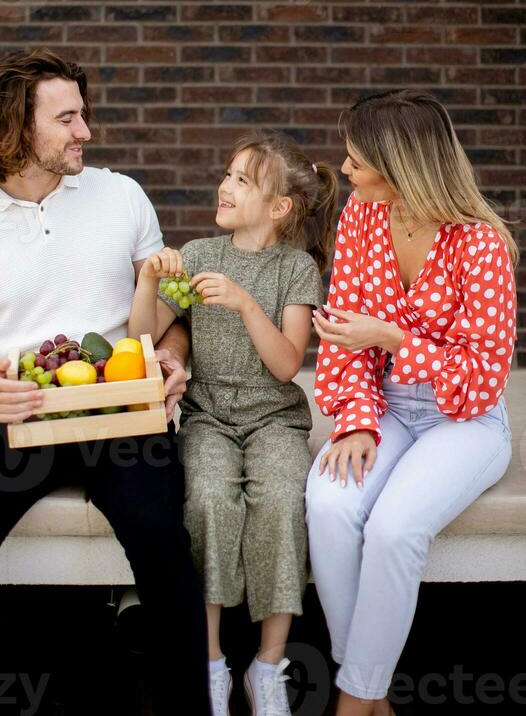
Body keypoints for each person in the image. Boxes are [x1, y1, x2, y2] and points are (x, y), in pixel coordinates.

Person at [0, 48, 210, 716]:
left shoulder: (121, 196)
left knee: (164, 544)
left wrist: (172, 354)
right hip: (23, 413)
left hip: (123, 412)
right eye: (67, 117)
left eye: (84, 114)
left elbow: (168, 310)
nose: (86, 131)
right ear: (19, 127)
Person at [305, 90, 517, 716]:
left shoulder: (480, 244)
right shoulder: (362, 218)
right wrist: (356, 419)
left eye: (355, 161)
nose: (344, 170)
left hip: (466, 418)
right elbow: (343, 339)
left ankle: (351, 701)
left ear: (400, 167)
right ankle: (374, 693)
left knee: (395, 529)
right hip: (387, 404)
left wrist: (395, 338)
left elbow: (483, 378)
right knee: (329, 502)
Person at [128, 131, 338, 716]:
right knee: (209, 502)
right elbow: (141, 336)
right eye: (227, 174)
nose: (225, 185)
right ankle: (212, 659)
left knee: (277, 497)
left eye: (243, 180)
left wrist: (245, 302)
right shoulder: (197, 255)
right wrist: (148, 281)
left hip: (274, 418)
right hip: (209, 416)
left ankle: (267, 666)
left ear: (279, 207)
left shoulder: (295, 269)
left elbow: (288, 364)